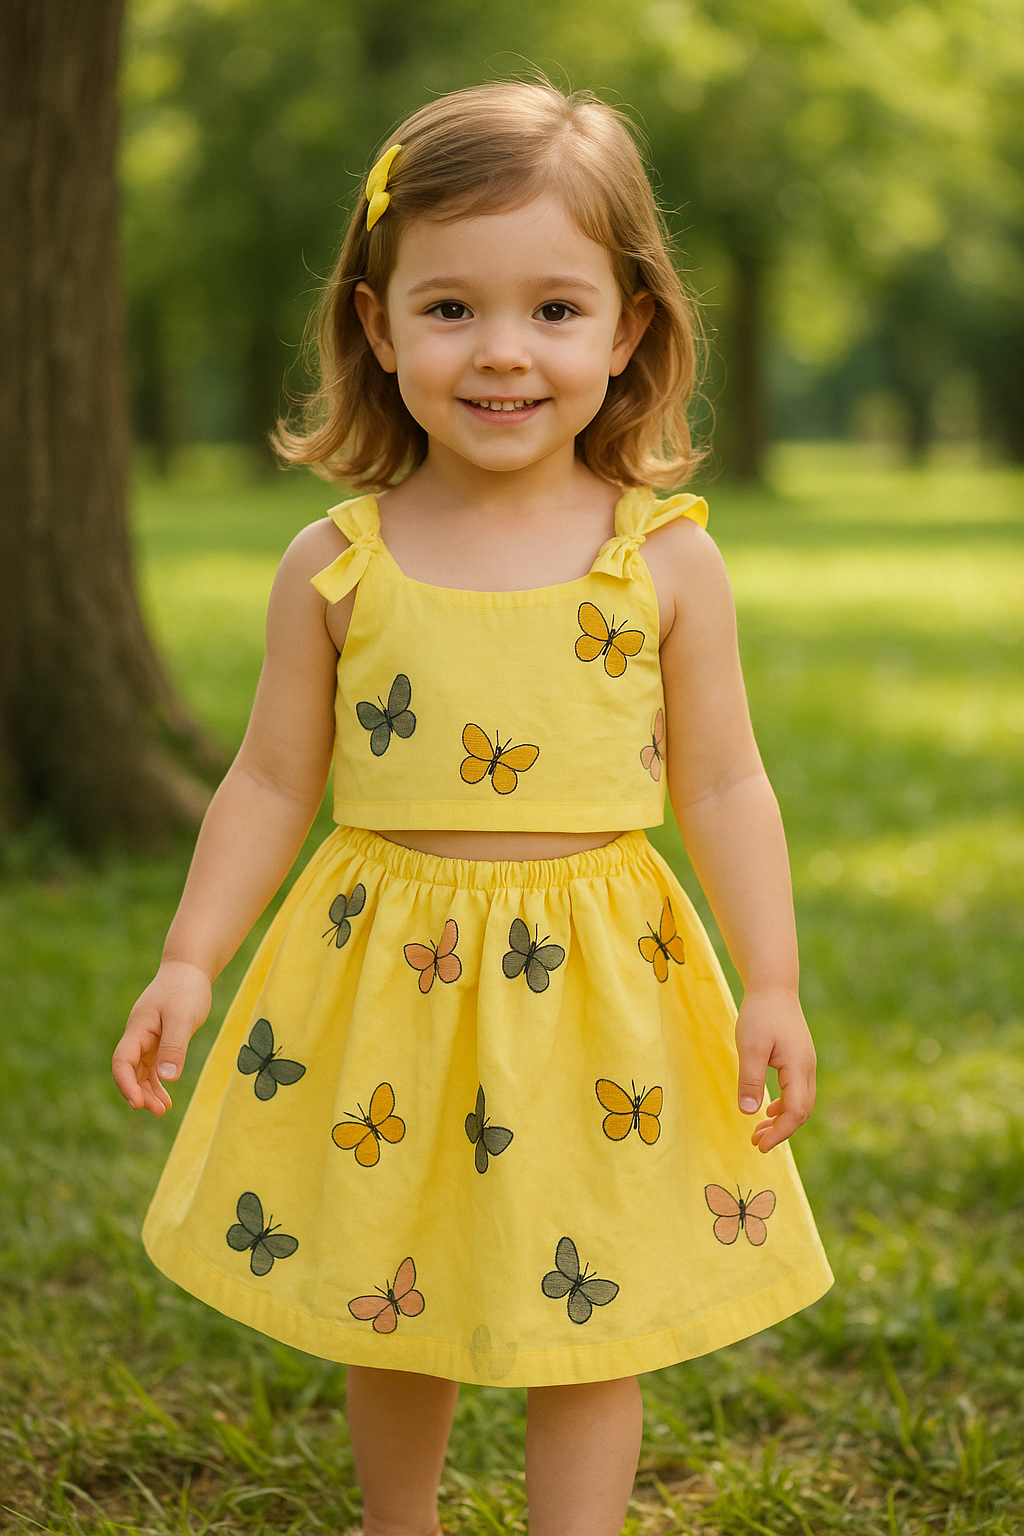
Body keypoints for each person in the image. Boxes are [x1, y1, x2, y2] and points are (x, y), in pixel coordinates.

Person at [113, 79, 832, 1536]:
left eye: (555, 310)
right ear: (378, 328)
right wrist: (190, 956)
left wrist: (773, 979)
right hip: (389, 981)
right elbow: (268, 777)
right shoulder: (338, 560)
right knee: (400, 1286)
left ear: (629, 327)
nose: (503, 352)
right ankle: (405, 1523)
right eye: (451, 309)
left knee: (598, 1305)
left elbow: (724, 780)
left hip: (603, 992)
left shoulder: (666, 564)